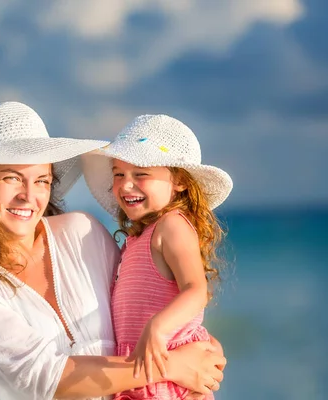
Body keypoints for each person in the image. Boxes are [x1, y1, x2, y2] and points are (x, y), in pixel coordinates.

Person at [0, 102, 226, 400]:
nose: (28, 196)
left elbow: (148, 297)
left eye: (42, 181)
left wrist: (204, 350)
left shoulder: (82, 232)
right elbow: (41, 376)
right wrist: (172, 366)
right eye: (12, 178)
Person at [81, 114, 233, 399]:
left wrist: (157, 327)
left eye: (141, 174)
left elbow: (196, 290)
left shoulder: (172, 225)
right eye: (118, 174)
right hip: (141, 376)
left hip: (175, 382)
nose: (126, 185)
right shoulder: (136, 240)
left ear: (179, 181)